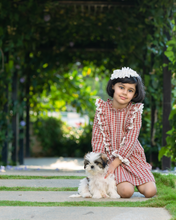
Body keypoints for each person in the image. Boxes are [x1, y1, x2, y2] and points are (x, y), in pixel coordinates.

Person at [91, 67, 157, 198]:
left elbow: (131, 139)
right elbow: (97, 139)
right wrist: (100, 164)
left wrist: (118, 161)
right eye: (121, 87)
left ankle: (137, 180)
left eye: (130, 90)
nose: (125, 93)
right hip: (111, 158)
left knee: (151, 192)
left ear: (135, 94)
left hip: (131, 156)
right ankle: (123, 182)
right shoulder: (102, 110)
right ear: (113, 86)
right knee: (126, 192)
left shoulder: (135, 111)